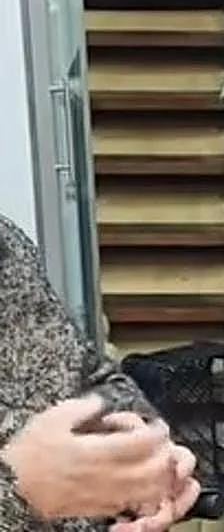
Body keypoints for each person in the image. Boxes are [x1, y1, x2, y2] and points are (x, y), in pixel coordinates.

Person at [0, 214, 200, 531]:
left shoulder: (6, 246)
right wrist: (17, 492)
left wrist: (143, 454)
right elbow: (26, 481)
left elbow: (88, 375)